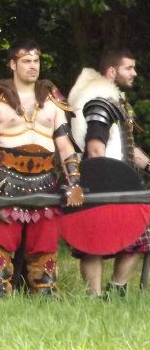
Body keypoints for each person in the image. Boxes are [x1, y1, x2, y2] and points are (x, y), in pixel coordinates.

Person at [0, 40, 83, 296]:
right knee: (1, 241)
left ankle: (45, 291)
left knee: (45, 242)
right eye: (26, 61)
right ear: (12, 64)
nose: (33, 66)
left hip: (46, 179)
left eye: (36, 61)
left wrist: (74, 183)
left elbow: (65, 146)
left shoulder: (52, 99)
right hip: (6, 180)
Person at [68, 49, 150, 296]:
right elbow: (95, 148)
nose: (134, 73)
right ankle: (94, 297)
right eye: (129, 68)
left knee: (140, 235)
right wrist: (104, 187)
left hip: (120, 182)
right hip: (102, 182)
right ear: (112, 71)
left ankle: (116, 290)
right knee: (93, 243)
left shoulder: (113, 100)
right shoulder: (100, 100)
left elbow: (125, 148)